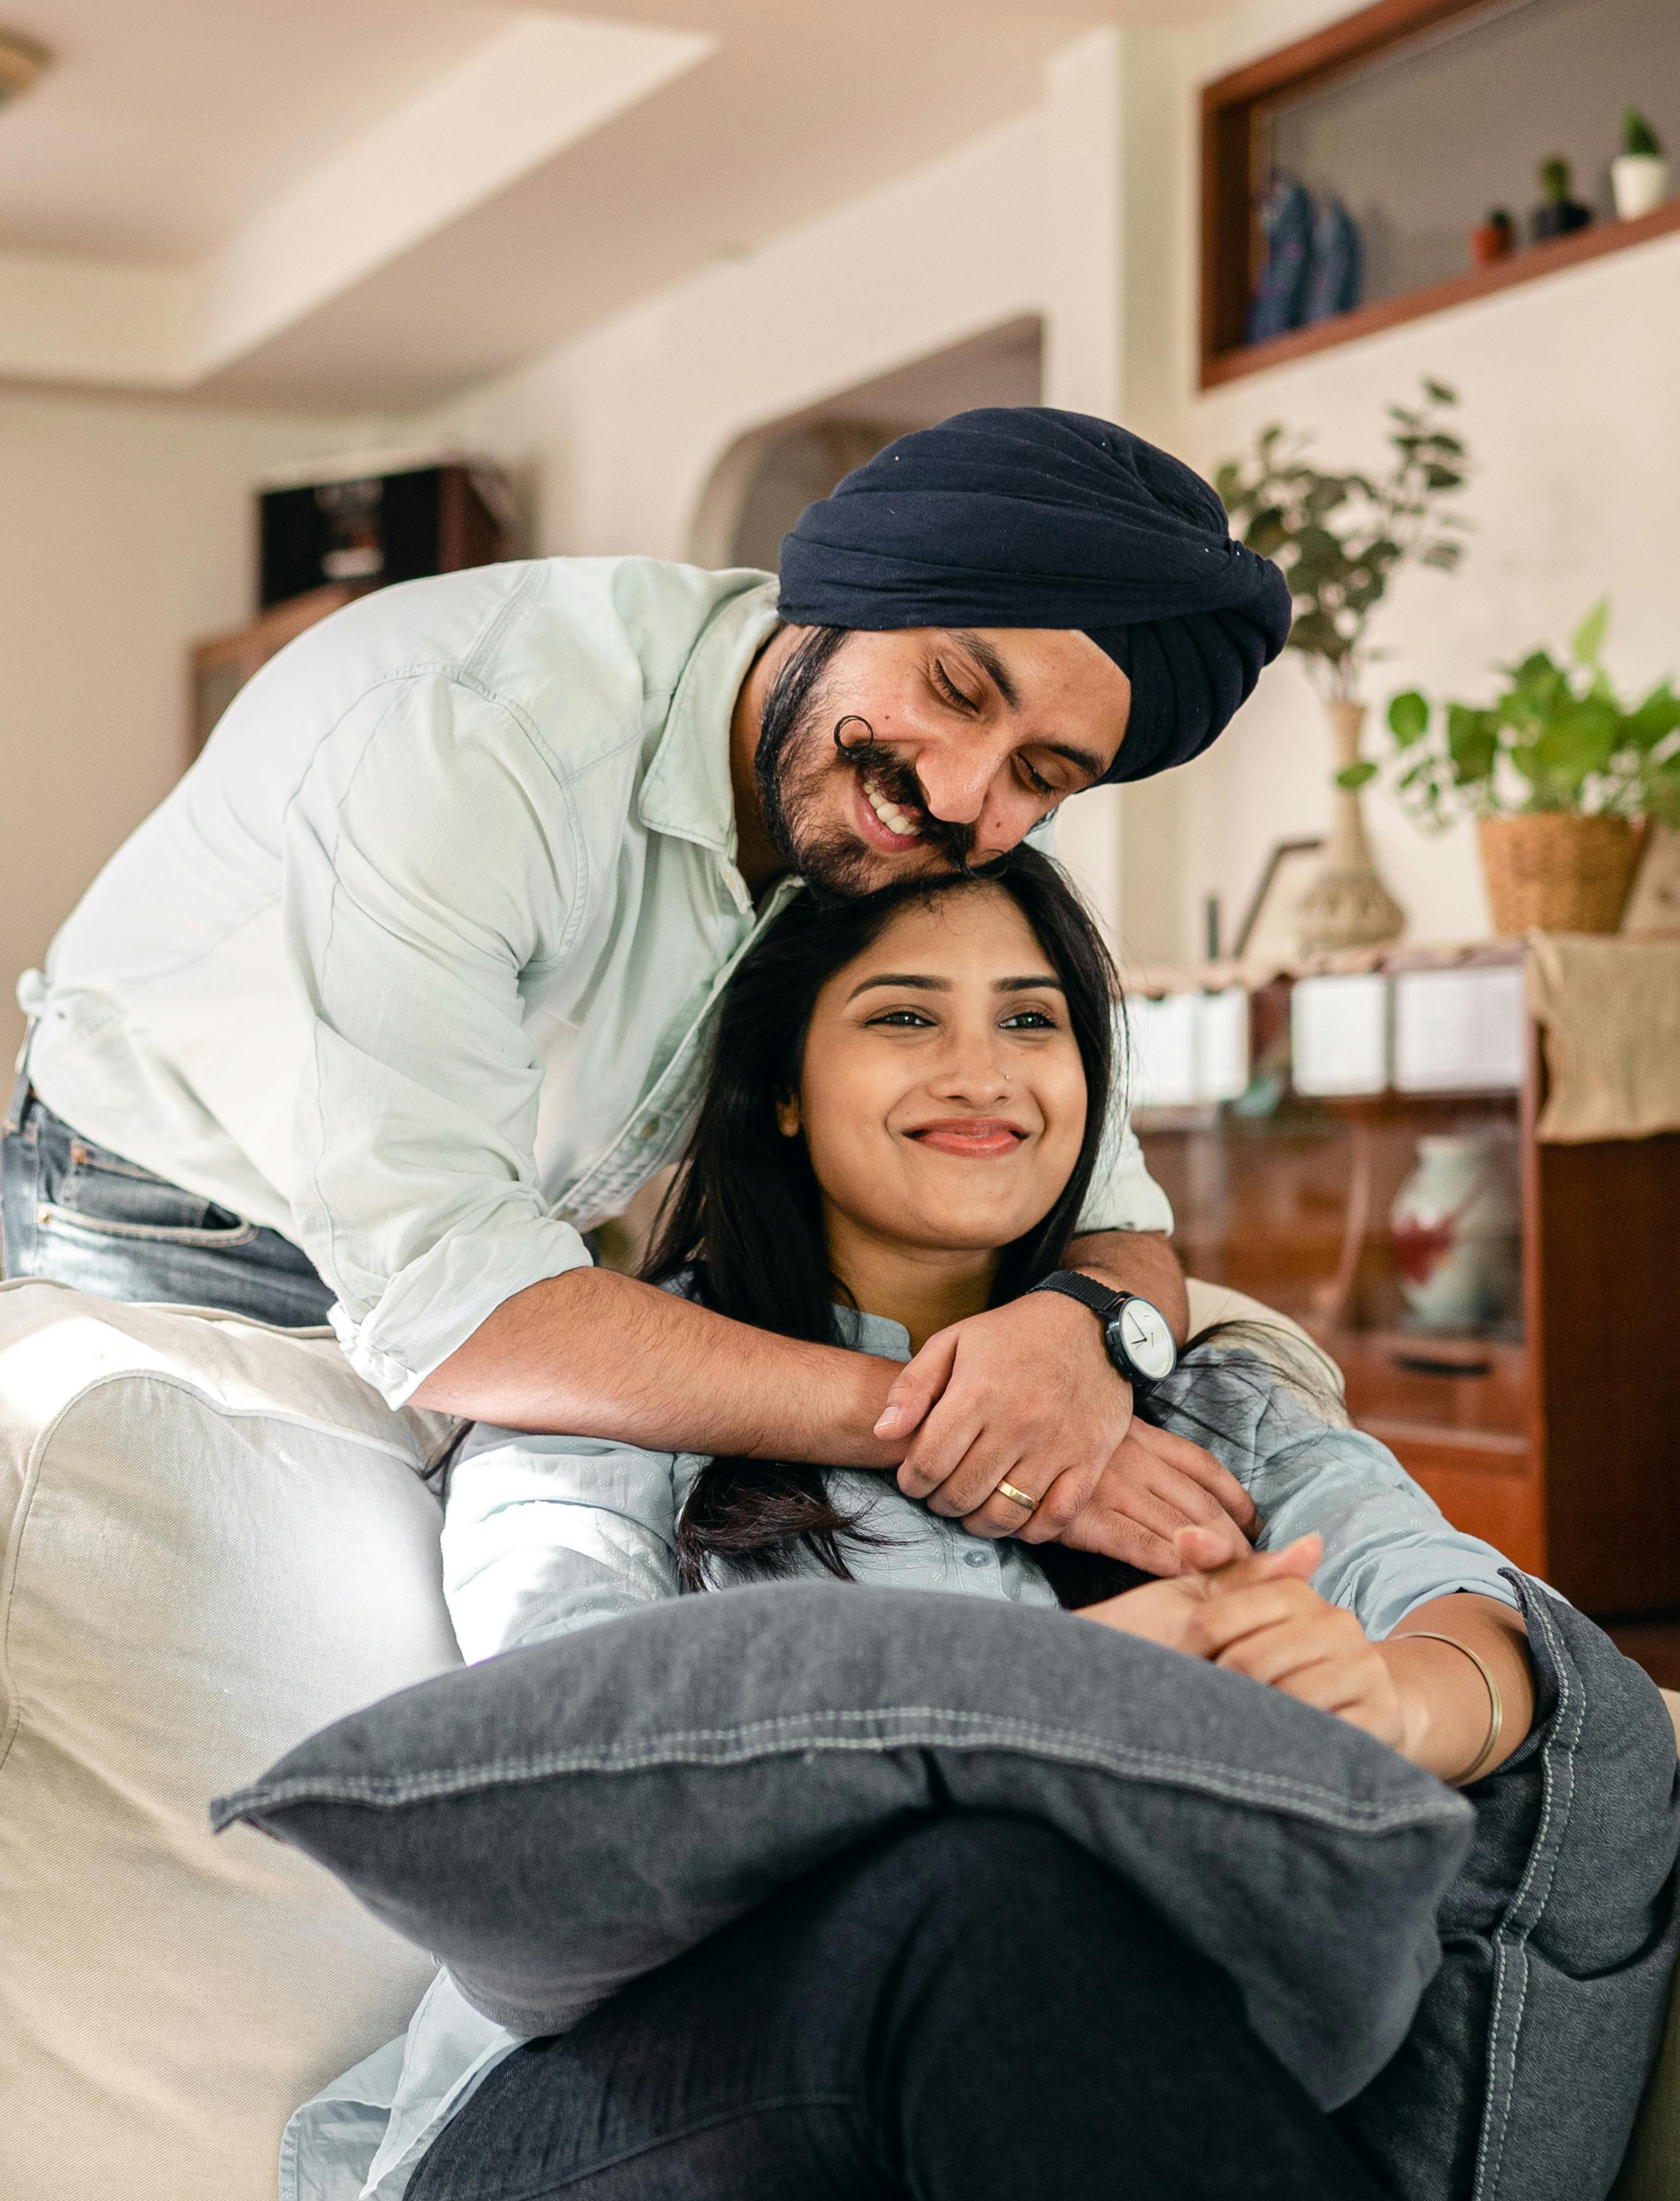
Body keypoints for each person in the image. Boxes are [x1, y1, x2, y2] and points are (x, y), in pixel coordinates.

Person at [284, 849, 1561, 2201]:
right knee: (978, 1896)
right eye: (904, 1016)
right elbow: (585, 1746)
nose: (982, 1072)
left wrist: (1382, 1705)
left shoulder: (1215, 1408)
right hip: (608, 2107)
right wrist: (1079, 1700)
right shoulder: (614, 1405)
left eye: (1031, 1019)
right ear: (780, 1086)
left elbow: (1472, 1622)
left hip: (1071, 2111)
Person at [3, 409, 1294, 1576]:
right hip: (172, 1224)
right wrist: (954, 1428)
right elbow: (459, 1307)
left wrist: (1077, 1339)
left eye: (1046, 773)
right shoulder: (468, 738)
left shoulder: (958, 815)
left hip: (518, 1255)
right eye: (953, 688)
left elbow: (1114, 1218)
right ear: (834, 598)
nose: (966, 793)